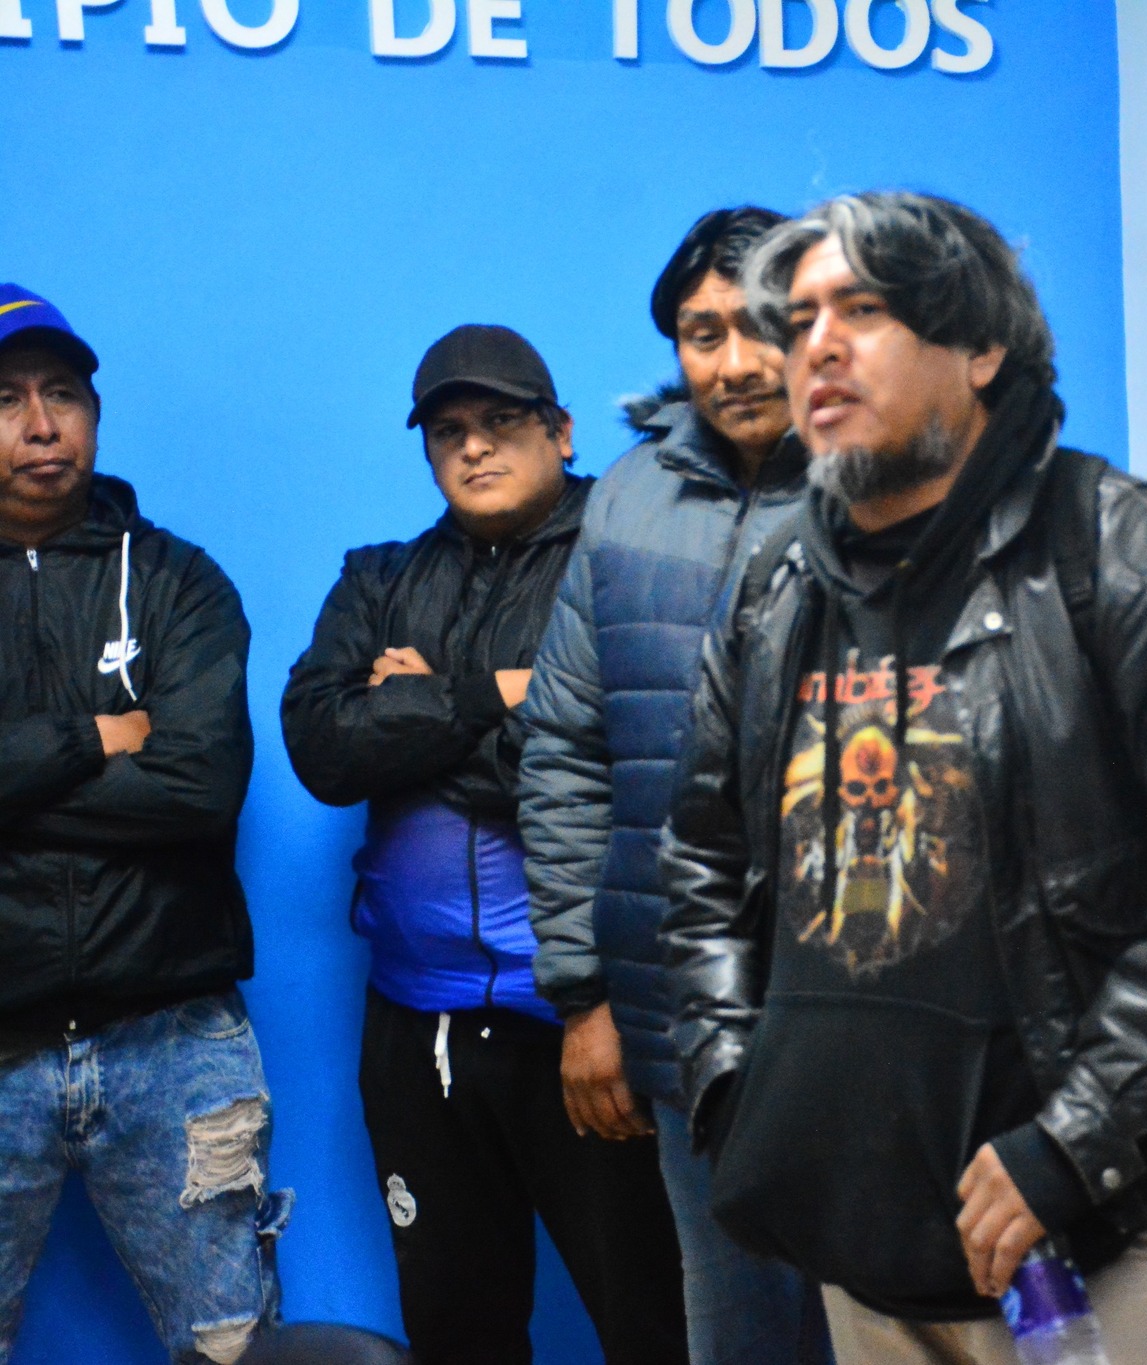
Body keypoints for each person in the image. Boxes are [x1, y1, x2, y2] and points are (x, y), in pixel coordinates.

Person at [658, 191, 1147, 1365]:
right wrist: (738, 1088)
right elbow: (702, 856)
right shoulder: (778, 588)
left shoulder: (1137, 556)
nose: (814, 346)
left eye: (861, 310)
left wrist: (1072, 1141)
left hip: (1120, 1233)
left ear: (980, 346)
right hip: (868, 1243)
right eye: (801, 318)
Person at [280, 325, 685, 1364]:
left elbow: (612, 768)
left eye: (501, 421)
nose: (474, 447)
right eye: (448, 430)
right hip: (415, 1028)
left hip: (586, 1021)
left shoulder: (624, 563)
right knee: (456, 1332)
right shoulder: (379, 579)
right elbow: (324, 747)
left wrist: (418, 711)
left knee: (657, 1324)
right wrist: (495, 694)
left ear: (561, 430)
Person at [518, 207, 830, 1362]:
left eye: (762, 328)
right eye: (703, 335)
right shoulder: (628, 498)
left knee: (887, 1327)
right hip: (683, 1022)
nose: (735, 363)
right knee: (734, 1330)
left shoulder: (883, 485)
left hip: (861, 1026)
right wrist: (583, 999)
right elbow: (564, 751)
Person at [0, 285, 284, 1365]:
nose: (41, 426)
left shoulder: (178, 583)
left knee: (233, 1352)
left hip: (174, 1038)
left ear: (94, 413)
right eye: (7, 400)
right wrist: (96, 736)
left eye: (63, 395)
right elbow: (151, 782)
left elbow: (200, 788)